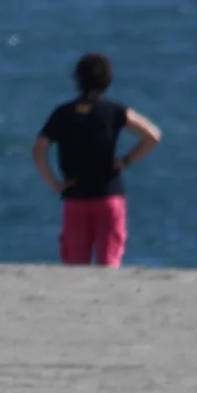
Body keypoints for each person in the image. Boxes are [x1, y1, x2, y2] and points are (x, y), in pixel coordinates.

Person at [32, 53, 161, 267]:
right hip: (108, 196)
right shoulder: (114, 111)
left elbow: (39, 149)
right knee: (109, 265)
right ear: (107, 81)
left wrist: (54, 183)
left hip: (75, 197)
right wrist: (126, 160)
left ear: (77, 80)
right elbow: (152, 136)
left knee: (74, 266)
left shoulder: (63, 113)